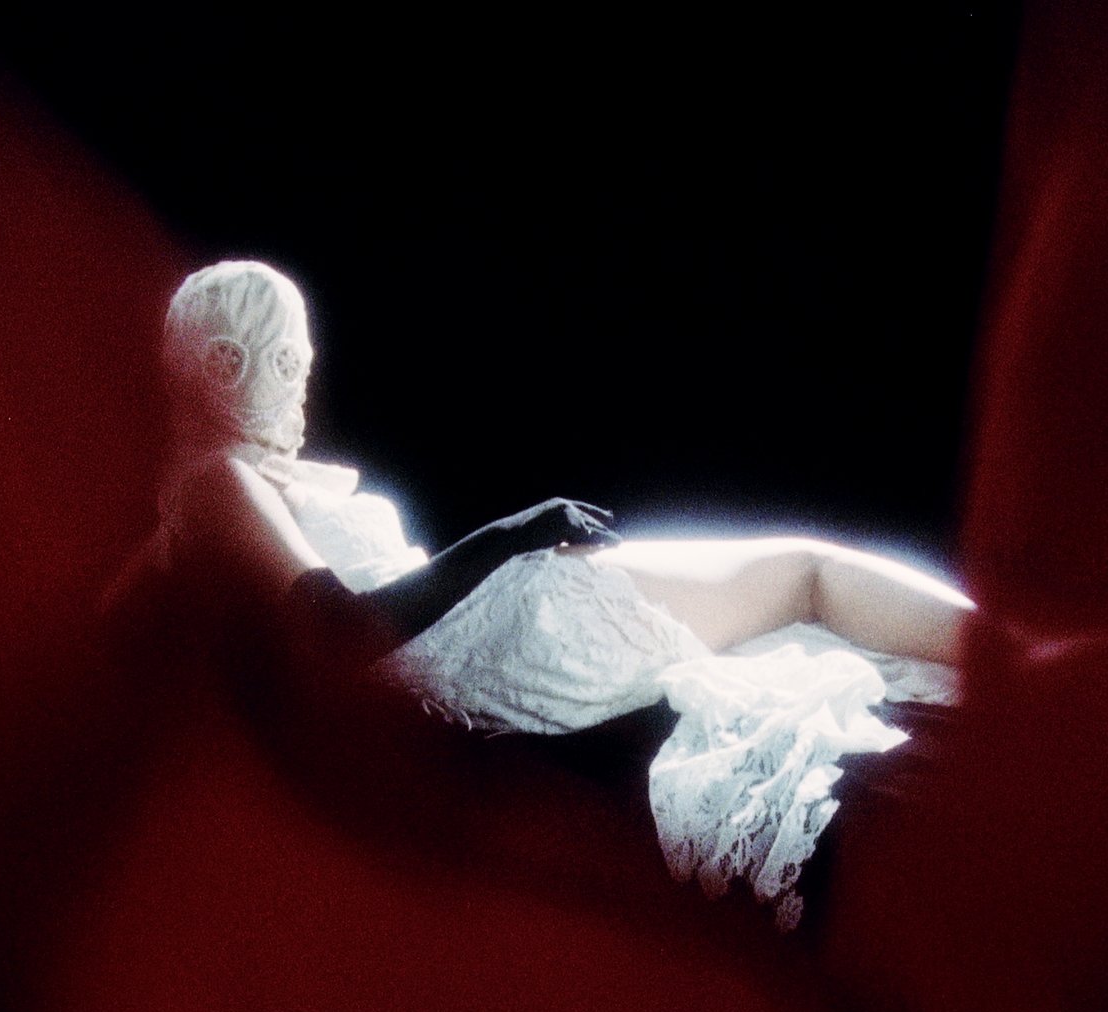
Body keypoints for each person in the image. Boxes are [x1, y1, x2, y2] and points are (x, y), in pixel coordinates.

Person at [122, 259, 973, 929]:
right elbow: (333, 625)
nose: (301, 386)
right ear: (222, 365)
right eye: (284, 363)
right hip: (493, 640)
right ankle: (1014, 662)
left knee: (799, 598)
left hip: (486, 641)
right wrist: (508, 535)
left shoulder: (207, 503)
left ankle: (1007, 669)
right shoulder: (214, 482)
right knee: (806, 577)